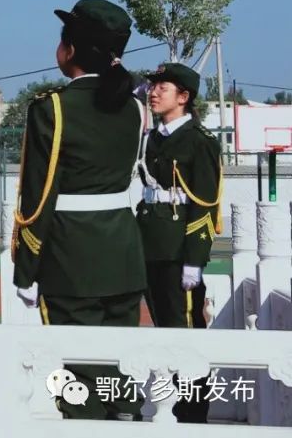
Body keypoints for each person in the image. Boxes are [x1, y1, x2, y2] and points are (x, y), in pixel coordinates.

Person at [12, 0, 147, 420]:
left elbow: (38, 195)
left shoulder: (52, 109)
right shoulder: (134, 108)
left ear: (69, 51)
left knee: (77, 377)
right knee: (120, 369)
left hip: (71, 259)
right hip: (124, 253)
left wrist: (26, 267)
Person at [137, 62, 222, 423]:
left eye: (163, 88)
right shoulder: (153, 138)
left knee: (186, 333)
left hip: (178, 251)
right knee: (162, 329)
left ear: (184, 97)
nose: (153, 93)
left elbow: (205, 204)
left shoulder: (199, 142)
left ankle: (193, 416)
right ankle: (168, 409)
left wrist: (194, 260)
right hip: (150, 244)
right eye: (152, 86)